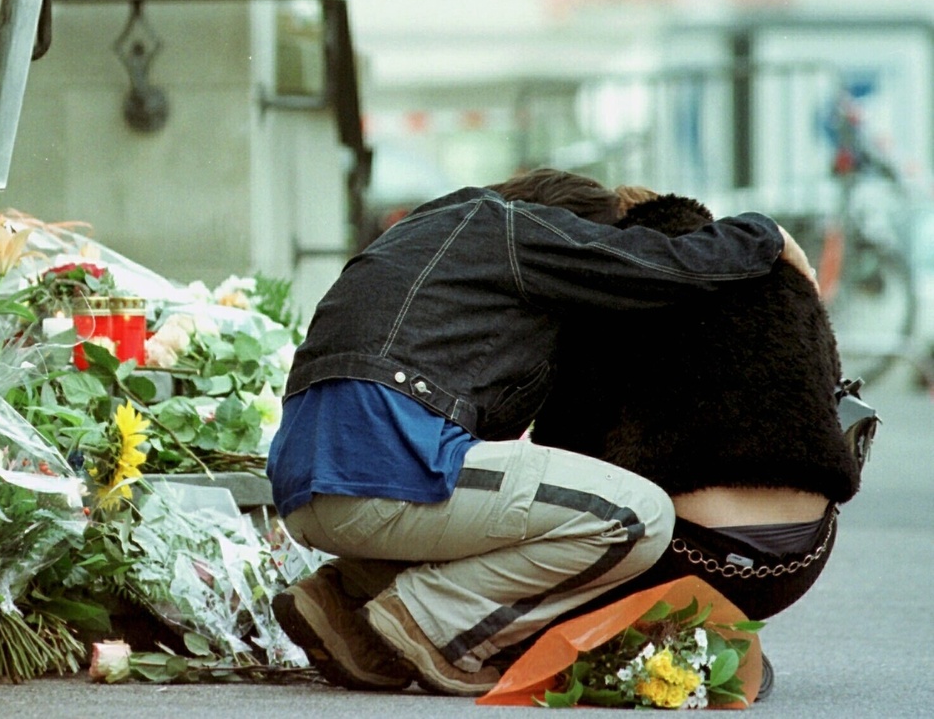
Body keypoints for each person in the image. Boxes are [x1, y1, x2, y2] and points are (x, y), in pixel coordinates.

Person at [267, 169, 816, 696]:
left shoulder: (425, 232)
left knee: (526, 515)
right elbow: (663, 264)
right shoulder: (511, 228)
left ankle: (344, 597)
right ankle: (429, 623)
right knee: (637, 517)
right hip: (390, 464)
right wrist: (765, 234)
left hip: (309, 490)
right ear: (567, 225)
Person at [530, 190, 860, 622]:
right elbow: (828, 393)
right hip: (805, 554)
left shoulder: (615, 286)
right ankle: (711, 639)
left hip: (686, 555)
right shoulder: (785, 276)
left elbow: (564, 440)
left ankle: (647, 638)